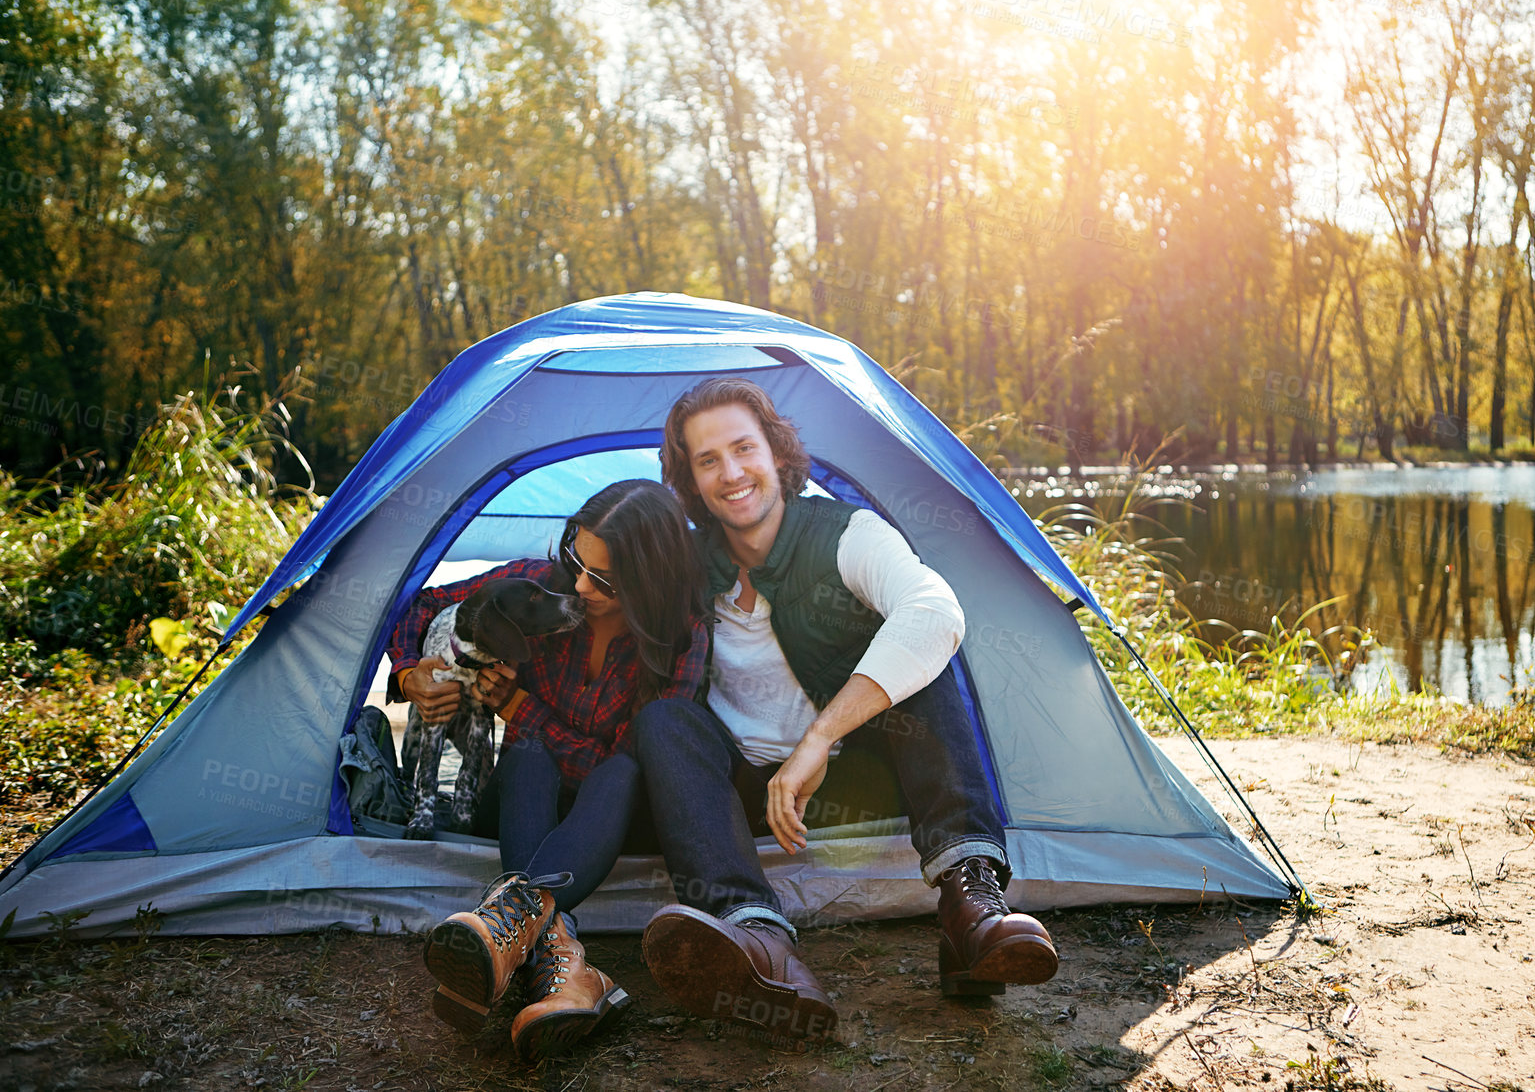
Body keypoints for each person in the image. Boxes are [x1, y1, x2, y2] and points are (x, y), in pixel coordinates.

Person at [631, 377, 1057, 1044]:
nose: (731, 473)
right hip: (738, 791)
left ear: (776, 451)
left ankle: (969, 900)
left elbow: (935, 611)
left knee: (921, 661)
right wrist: (442, 650)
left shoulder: (844, 532)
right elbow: (579, 581)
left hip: (851, 774)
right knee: (663, 721)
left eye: (744, 448)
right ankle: (760, 941)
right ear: (688, 477)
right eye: (706, 460)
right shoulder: (684, 559)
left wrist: (819, 735)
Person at [386, 479, 710, 1062]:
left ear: (651, 577)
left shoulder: (678, 642)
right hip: (523, 802)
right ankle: (555, 958)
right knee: (529, 757)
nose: (580, 586)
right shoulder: (537, 585)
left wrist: (518, 708)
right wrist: (411, 673)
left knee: (619, 772)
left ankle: (516, 932)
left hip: (605, 820)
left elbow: (611, 764)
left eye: (604, 580)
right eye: (575, 560)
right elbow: (421, 602)